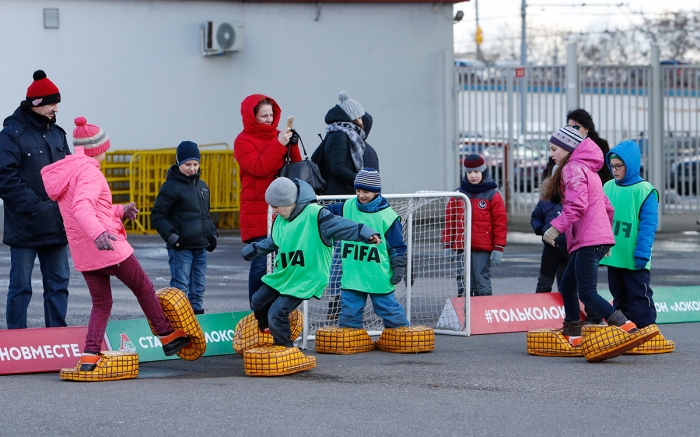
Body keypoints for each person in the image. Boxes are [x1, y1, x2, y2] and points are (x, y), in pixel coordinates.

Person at [40, 117, 191, 370]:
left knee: (101, 304)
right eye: (104, 148)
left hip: (85, 253)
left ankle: (90, 355)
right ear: (97, 149)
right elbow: (82, 208)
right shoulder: (90, 171)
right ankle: (166, 336)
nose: (106, 153)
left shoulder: (70, 172)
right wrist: (99, 233)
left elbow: (94, 208)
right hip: (108, 247)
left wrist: (120, 210)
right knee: (143, 287)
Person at [541, 125, 648, 357]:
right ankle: (573, 334)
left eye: (554, 149)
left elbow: (576, 206)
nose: (551, 154)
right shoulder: (589, 169)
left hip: (588, 239)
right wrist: (605, 239)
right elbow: (607, 207)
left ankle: (628, 328)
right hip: (593, 238)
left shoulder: (572, 169)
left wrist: (554, 228)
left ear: (568, 148)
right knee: (568, 286)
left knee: (587, 292)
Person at [241, 177, 381, 350]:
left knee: (277, 312)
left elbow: (343, 226)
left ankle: (285, 348)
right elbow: (273, 242)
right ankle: (266, 329)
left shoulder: (316, 215)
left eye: (276, 206)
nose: (273, 210)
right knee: (258, 300)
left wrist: (367, 234)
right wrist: (252, 251)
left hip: (306, 276)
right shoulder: (281, 220)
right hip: (285, 274)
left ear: (289, 201)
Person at [0, 70, 71, 329]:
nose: (56, 109)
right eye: (52, 103)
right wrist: (36, 207)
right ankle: (16, 344)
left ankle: (58, 340)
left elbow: (70, 172)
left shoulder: (58, 133)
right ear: (36, 104)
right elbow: (4, 178)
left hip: (57, 224)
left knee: (59, 284)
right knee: (21, 287)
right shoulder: (11, 135)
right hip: (25, 226)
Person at [234, 94, 301, 308]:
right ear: (252, 117)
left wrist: (292, 144)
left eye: (271, 115)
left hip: (284, 207)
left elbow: (295, 167)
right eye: (264, 116)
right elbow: (258, 168)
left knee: (282, 262)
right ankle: (257, 310)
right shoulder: (242, 141)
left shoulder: (279, 136)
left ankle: (278, 310)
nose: (269, 120)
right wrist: (279, 145)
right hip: (258, 210)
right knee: (261, 263)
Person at [325, 168, 408, 330]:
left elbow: (397, 245)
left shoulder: (388, 216)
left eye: (366, 192)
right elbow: (324, 213)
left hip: (378, 274)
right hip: (353, 275)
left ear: (376, 192)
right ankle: (351, 337)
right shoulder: (347, 206)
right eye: (358, 190)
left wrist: (398, 265)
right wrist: (310, 209)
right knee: (349, 311)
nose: (361, 195)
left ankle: (401, 334)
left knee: (388, 308)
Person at [599, 141, 661, 330]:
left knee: (639, 295)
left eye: (619, 166)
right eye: (612, 166)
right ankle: (624, 330)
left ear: (631, 165)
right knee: (619, 295)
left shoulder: (645, 190)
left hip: (634, 256)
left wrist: (643, 252)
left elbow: (648, 226)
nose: (614, 170)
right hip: (614, 255)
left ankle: (646, 329)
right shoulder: (608, 186)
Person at [151, 141, 218, 315]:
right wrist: (173, 237)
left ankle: (197, 321)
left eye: (195, 164)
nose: (192, 168)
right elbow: (158, 215)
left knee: (198, 288)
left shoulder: (202, 186)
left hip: (200, 247)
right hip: (181, 248)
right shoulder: (171, 187)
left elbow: (205, 215)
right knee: (180, 288)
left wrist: (212, 235)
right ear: (178, 162)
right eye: (187, 164)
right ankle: (179, 322)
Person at [442, 154, 507, 296]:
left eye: (476, 172)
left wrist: (498, 247)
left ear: (483, 172)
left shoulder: (492, 195)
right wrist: (448, 244)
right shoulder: (458, 194)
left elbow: (500, 222)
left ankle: (483, 314)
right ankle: (464, 315)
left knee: (481, 280)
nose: (473, 175)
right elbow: (450, 221)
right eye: (469, 172)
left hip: (483, 248)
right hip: (461, 247)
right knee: (463, 281)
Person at [319, 91, 369, 195]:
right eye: (359, 118)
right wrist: (362, 181)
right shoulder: (341, 136)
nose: (361, 122)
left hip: (341, 192)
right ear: (351, 119)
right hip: (340, 195)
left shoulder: (338, 133)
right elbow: (337, 167)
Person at [530, 164, 570, 293]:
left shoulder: (574, 200)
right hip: (550, 248)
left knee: (566, 284)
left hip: (569, 248)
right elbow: (535, 218)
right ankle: (540, 309)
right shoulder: (545, 200)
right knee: (544, 283)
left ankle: (566, 311)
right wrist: (542, 229)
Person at [567, 108, 613, 185]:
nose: (572, 131)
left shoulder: (600, 145)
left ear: (587, 128)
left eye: (576, 127)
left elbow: (606, 173)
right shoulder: (563, 145)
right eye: (569, 127)